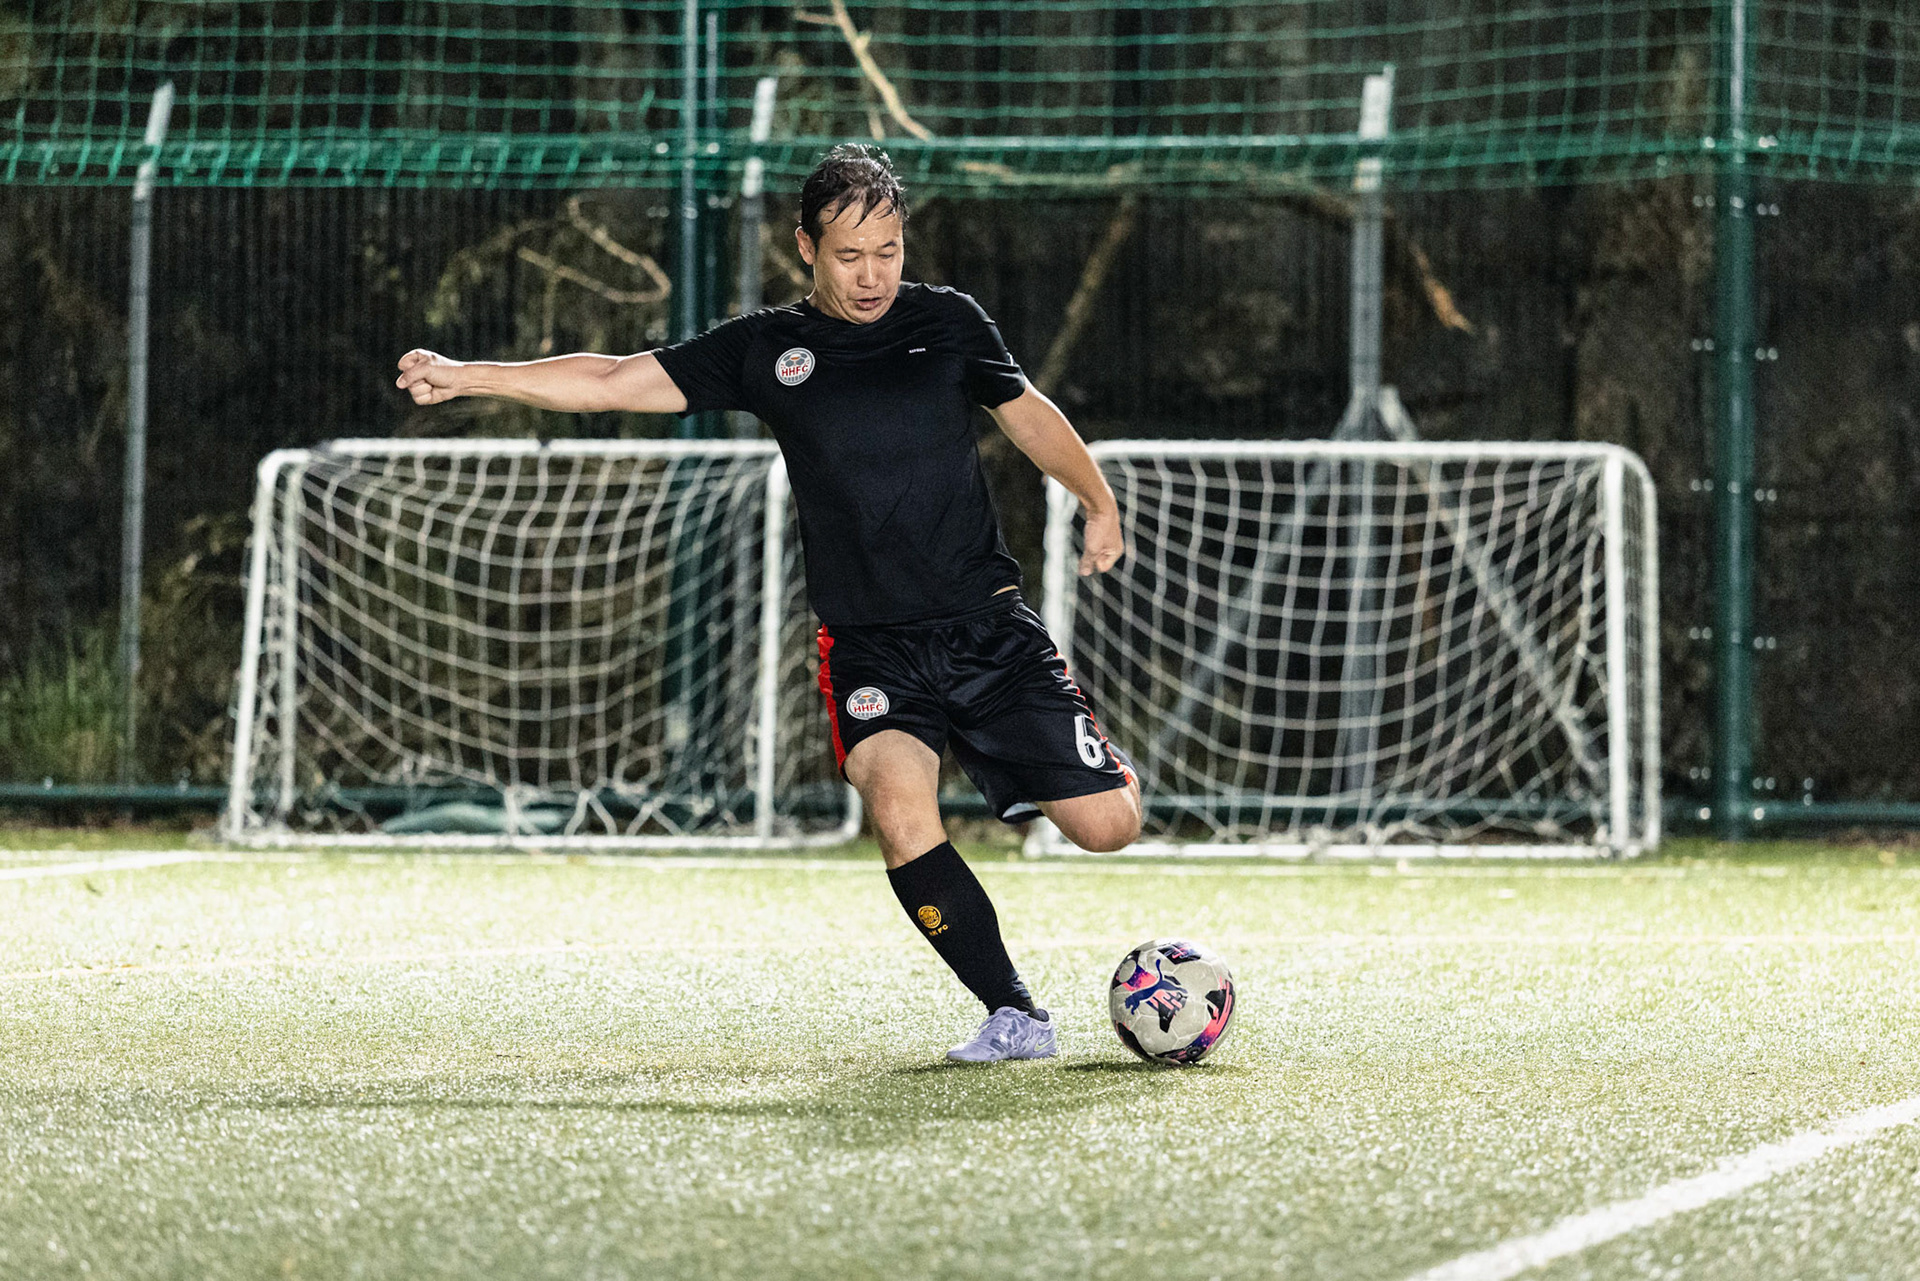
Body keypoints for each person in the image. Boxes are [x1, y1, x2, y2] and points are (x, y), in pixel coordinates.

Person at [397, 144, 1141, 1062]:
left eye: (890, 251)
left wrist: (1098, 502)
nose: (873, 275)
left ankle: (1094, 765)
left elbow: (1027, 414)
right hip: (870, 647)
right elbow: (613, 378)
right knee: (899, 808)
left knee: (1109, 828)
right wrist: (472, 374)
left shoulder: (948, 324)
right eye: (850, 255)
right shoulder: (766, 351)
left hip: (986, 628)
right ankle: (1014, 1012)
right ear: (805, 247)